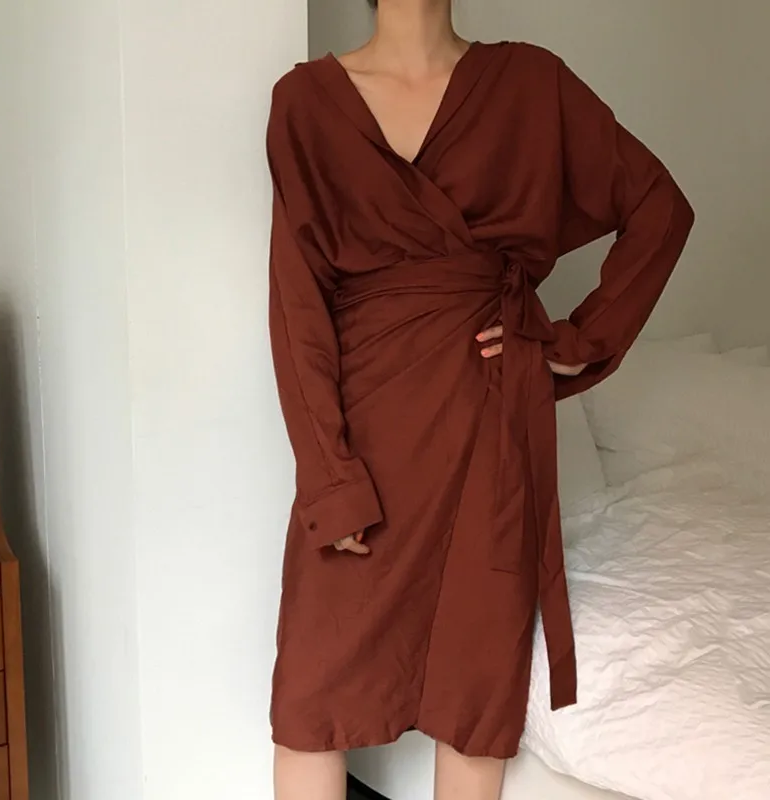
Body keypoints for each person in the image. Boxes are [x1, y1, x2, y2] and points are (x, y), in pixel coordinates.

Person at [266, 0, 694, 798]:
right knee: (311, 701)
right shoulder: (306, 102)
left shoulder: (533, 83)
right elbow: (298, 309)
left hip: (492, 427)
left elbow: (659, 209)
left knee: (472, 697)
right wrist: (329, 478)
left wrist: (575, 341)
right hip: (367, 435)